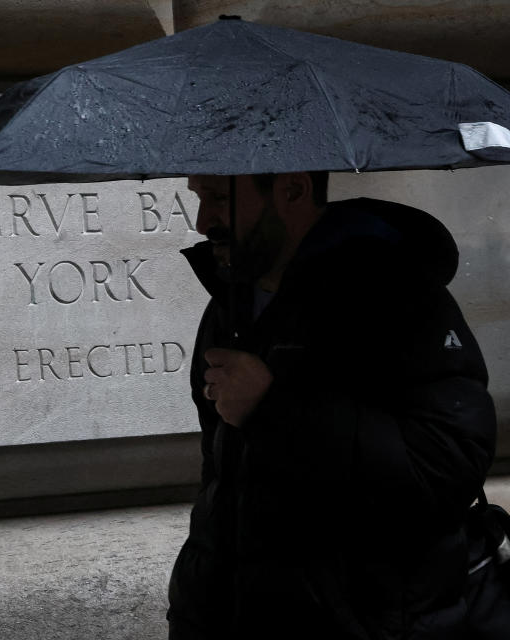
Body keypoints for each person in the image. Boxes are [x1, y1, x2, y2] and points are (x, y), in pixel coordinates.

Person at [167, 172, 497, 639]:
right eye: (199, 199)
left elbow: (447, 466)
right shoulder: (230, 302)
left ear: (293, 190)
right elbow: (224, 476)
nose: (203, 222)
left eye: (219, 198)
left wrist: (272, 408)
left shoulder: (398, 294)